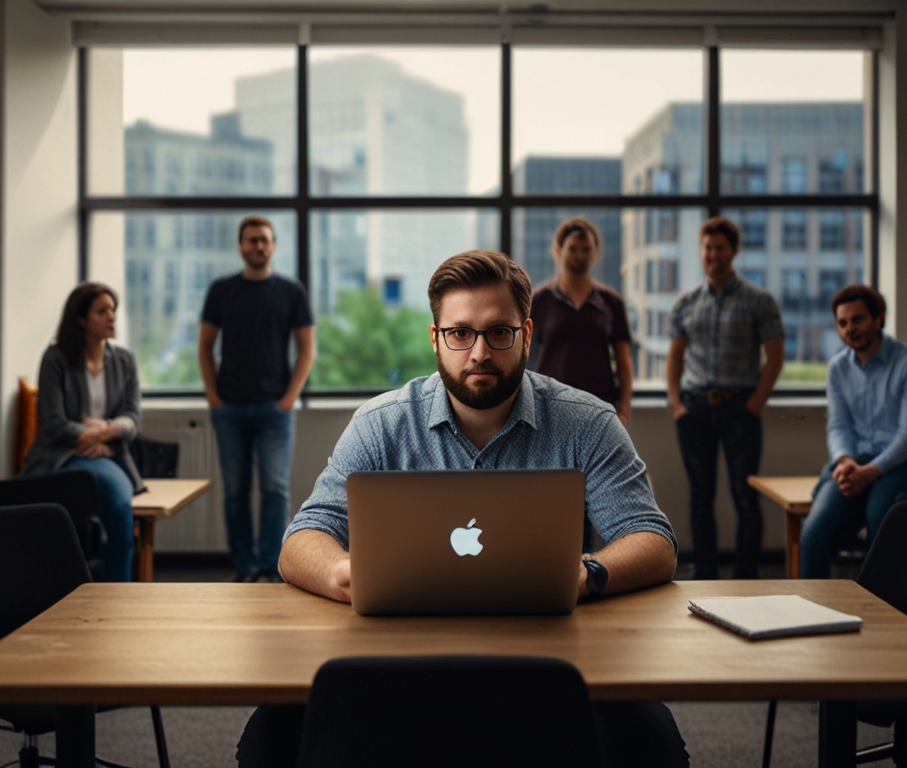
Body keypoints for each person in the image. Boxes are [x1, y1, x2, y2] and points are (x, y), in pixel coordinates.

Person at [242, 250, 689, 768]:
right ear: (436, 339)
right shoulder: (380, 424)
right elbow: (301, 539)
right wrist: (342, 572)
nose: (479, 352)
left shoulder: (588, 422)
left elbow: (653, 540)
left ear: (526, 334)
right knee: (269, 740)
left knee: (654, 747)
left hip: (555, 654)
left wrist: (589, 574)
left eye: (498, 332)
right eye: (460, 333)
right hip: (395, 657)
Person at [199, 215, 316, 583]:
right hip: (229, 407)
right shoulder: (221, 290)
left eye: (264, 240)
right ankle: (244, 566)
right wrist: (214, 398)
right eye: (251, 240)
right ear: (240, 245)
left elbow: (307, 349)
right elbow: (204, 349)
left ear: (274, 245)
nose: (258, 246)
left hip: (274, 410)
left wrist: (288, 399)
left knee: (275, 490)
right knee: (235, 491)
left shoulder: (291, 291)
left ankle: (271, 564)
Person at [666, 217, 784, 580]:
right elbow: (675, 358)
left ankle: (747, 576)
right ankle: (704, 574)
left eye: (720, 248)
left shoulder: (759, 300)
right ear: (701, 252)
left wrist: (753, 406)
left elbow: (775, 357)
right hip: (695, 409)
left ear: (734, 251)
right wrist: (677, 405)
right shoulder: (685, 302)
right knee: (700, 499)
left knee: (745, 498)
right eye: (707, 248)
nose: (713, 255)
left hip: (740, 409)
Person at [800, 285, 907, 578]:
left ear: (879, 319)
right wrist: (844, 461)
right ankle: (810, 615)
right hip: (858, 461)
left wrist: (870, 472)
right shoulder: (838, 368)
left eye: (858, 319)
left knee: (882, 521)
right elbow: (838, 427)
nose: (850, 329)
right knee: (813, 533)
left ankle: (884, 611)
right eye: (842, 323)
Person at [22, 282, 143, 582]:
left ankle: (119, 592)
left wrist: (105, 433)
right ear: (81, 319)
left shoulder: (124, 360)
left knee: (117, 501)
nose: (111, 316)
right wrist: (95, 433)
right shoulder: (55, 359)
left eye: (113, 310)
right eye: (102, 311)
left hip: (108, 454)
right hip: (62, 455)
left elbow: (132, 418)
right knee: (107, 496)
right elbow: (52, 421)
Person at [530, 216, 633, 426]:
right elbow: (523, 357)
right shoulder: (540, 300)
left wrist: (625, 410)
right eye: (573, 248)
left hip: (600, 408)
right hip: (551, 407)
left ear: (595, 253)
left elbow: (623, 362)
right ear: (559, 251)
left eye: (586, 249)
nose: (579, 255)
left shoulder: (611, 302)